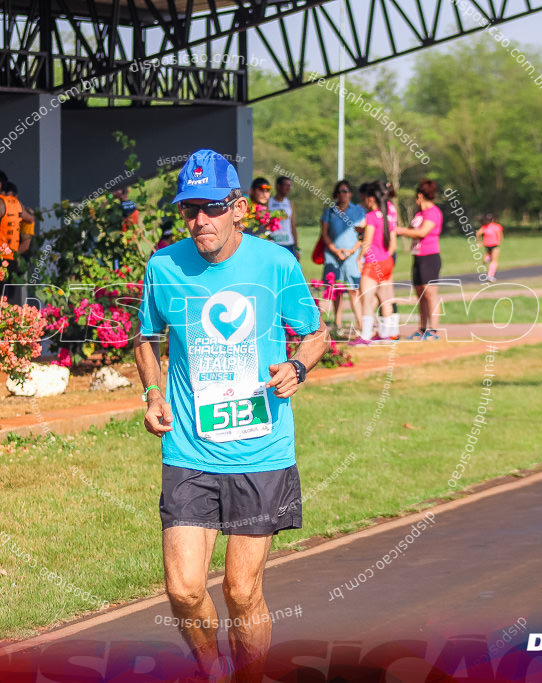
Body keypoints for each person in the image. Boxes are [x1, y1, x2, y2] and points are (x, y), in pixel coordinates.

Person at [136, 149, 329, 682]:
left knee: (241, 591)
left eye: (212, 207)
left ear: (239, 208)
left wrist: (297, 367)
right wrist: (153, 394)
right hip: (190, 449)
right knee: (184, 589)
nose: (200, 220)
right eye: (188, 209)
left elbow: (315, 334)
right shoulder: (165, 266)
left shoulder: (274, 264)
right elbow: (146, 337)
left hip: (260, 449)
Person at [350, 182, 398, 345]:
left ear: (371, 199)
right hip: (387, 261)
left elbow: (367, 242)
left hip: (372, 263)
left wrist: (359, 258)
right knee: (386, 299)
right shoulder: (388, 216)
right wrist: (385, 257)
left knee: (367, 300)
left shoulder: (371, 216)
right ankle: (388, 334)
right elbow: (393, 245)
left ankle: (365, 335)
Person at [319, 180, 366, 337]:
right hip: (333, 256)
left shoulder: (359, 211)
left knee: (354, 290)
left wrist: (352, 251)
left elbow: (363, 234)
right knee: (334, 291)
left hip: (351, 257)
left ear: (350, 193)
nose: (342, 194)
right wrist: (335, 250)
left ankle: (361, 326)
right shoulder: (330, 212)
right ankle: (337, 323)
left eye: (345, 191)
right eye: (340, 191)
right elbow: (324, 234)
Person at [398, 179, 443, 341]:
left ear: (420, 195)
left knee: (430, 293)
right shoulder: (419, 213)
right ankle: (422, 328)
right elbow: (412, 230)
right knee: (420, 294)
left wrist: (400, 230)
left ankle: (434, 330)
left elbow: (422, 232)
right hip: (417, 256)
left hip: (430, 257)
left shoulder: (433, 212)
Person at [268, 176, 298, 257]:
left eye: (290, 185)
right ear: (278, 186)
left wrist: (297, 248)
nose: (289, 188)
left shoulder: (290, 203)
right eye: (286, 185)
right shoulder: (268, 202)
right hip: (274, 243)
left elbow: (293, 226)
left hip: (288, 243)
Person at [4, 181, 36, 254]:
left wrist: (11, 257)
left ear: (16, 197)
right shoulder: (1, 211)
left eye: (9, 199)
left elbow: (26, 244)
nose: (6, 202)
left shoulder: (25, 213)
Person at [477, 214, 503, 282]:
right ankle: (490, 276)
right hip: (494, 245)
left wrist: (479, 242)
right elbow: (500, 236)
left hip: (487, 245)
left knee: (489, 255)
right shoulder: (497, 226)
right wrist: (499, 240)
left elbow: (478, 233)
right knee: (494, 261)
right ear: (493, 219)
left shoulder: (484, 227)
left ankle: (486, 258)